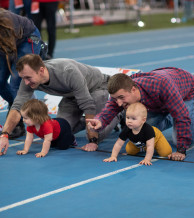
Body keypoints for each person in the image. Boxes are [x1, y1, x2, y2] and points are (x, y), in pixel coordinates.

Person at [0, 54, 119, 156]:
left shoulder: (67, 71)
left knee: (96, 132)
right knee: (59, 131)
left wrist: (93, 140)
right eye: (23, 78)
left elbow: (87, 105)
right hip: (71, 95)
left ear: (41, 71)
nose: (25, 82)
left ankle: (117, 115)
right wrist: (5, 135)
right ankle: (85, 122)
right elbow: (17, 106)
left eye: (28, 78)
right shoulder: (29, 78)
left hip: (96, 88)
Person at [87, 67, 194, 161]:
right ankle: (170, 114)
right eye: (115, 99)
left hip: (186, 89)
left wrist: (181, 149)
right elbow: (110, 109)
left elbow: (181, 116)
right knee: (142, 129)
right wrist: (100, 121)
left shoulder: (161, 86)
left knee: (182, 137)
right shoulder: (123, 89)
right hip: (161, 100)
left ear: (133, 89)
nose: (119, 103)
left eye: (121, 98)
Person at [0, 8, 42, 139]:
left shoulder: (7, 21)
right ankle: (17, 106)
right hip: (7, 41)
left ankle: (18, 121)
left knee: (15, 82)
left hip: (27, 38)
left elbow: (10, 53)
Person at [103, 102, 172, 165]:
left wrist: (147, 159)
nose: (129, 121)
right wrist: (113, 156)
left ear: (143, 120)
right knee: (129, 151)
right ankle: (142, 147)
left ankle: (170, 119)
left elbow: (150, 146)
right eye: (127, 118)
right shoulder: (127, 129)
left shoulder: (148, 130)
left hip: (155, 139)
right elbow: (118, 143)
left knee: (165, 153)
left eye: (133, 119)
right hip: (140, 142)